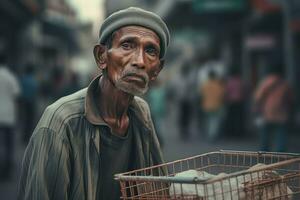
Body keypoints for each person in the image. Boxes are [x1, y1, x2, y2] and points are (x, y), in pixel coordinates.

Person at [18, 7, 170, 200]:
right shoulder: (61, 122)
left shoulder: (141, 112)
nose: (139, 61)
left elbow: (157, 185)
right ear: (102, 57)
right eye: (127, 45)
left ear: (157, 69)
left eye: (150, 51)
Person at [253, 67, 293, 152]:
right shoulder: (285, 84)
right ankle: (280, 152)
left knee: (265, 134)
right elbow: (290, 98)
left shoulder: (266, 82)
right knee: (281, 134)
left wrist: (257, 108)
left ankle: (264, 152)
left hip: (267, 111)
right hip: (281, 112)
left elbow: (258, 96)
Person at [0, 54, 20, 179]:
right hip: (8, 116)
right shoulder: (10, 77)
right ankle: (6, 172)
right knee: (8, 145)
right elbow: (17, 95)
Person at [200, 69, 226, 141]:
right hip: (216, 105)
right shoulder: (218, 85)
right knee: (215, 121)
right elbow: (223, 95)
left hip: (207, 105)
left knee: (208, 120)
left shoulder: (205, 85)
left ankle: (209, 134)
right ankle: (212, 135)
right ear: (215, 76)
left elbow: (201, 95)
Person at [20, 63, 39, 144]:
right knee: (31, 120)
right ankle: (29, 137)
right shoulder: (34, 80)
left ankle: (24, 137)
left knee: (24, 120)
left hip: (24, 102)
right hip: (31, 103)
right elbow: (36, 92)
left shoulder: (23, 79)